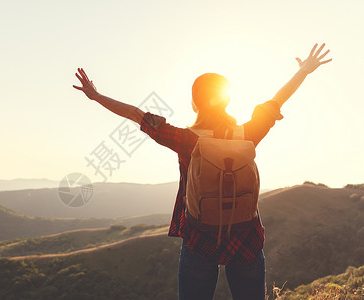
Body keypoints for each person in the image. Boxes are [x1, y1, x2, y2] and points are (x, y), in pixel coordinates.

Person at [73, 43, 332, 300]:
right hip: (246, 237)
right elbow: (278, 99)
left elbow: (136, 114)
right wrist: (304, 71)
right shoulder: (248, 134)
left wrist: (96, 96)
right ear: (228, 100)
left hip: (200, 238)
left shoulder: (186, 139)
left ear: (196, 104)